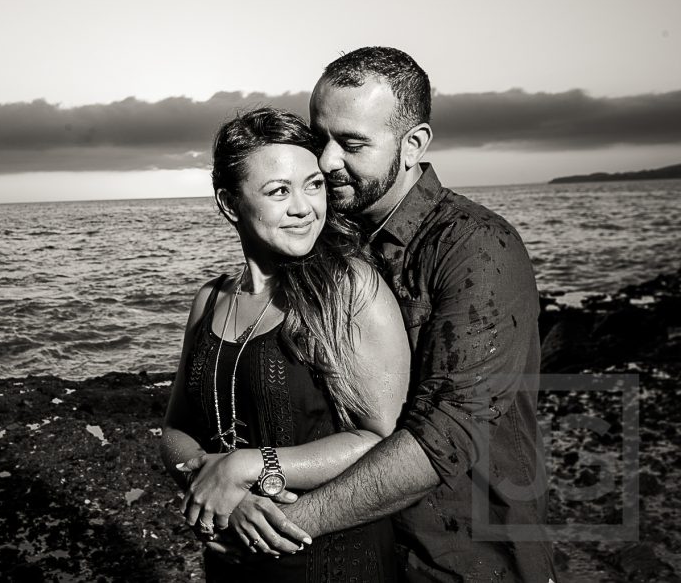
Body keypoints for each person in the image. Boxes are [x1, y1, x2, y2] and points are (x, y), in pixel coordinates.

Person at [209, 47, 557, 581]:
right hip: (363, 555)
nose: (325, 161)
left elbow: (447, 435)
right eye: (318, 138)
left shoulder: (476, 247)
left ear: (413, 144)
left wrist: (283, 528)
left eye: (351, 144)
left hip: (467, 558)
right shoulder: (323, 245)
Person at [160, 107, 411, 582]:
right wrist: (216, 490)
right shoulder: (210, 299)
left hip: (330, 556)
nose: (304, 207)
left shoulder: (348, 287)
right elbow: (174, 429)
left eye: (313, 185)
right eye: (279, 191)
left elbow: (383, 441)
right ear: (230, 204)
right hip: (231, 555)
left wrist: (248, 466)